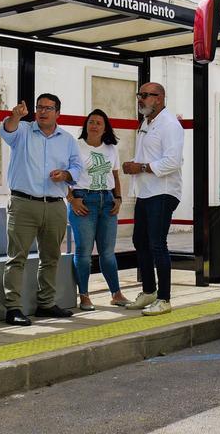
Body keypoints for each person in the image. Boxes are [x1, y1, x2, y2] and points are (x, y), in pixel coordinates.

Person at [0, 93, 84, 326]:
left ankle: (46, 303)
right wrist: (15, 116)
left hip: (55, 205)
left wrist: (66, 175)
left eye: (49, 108)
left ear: (58, 113)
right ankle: (13, 307)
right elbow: (7, 132)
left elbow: (77, 167)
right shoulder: (23, 131)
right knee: (17, 258)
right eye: (39, 107)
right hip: (23, 203)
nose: (43, 111)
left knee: (51, 258)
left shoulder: (67, 139)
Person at [122, 82, 185, 316]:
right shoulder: (147, 122)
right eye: (140, 95)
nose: (141, 99)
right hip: (146, 191)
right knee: (140, 240)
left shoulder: (169, 124)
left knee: (157, 244)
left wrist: (141, 167)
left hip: (164, 191)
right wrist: (138, 168)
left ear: (159, 98)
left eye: (146, 95)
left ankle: (164, 299)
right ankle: (148, 291)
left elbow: (173, 162)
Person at [69, 109, 130, 310]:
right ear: (86, 125)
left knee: (107, 252)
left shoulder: (111, 148)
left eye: (99, 123)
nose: (94, 125)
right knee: (84, 252)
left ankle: (116, 293)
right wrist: (72, 199)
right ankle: (84, 296)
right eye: (91, 122)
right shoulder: (75, 146)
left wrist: (119, 199)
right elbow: (65, 177)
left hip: (108, 202)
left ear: (105, 128)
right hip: (83, 200)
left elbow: (116, 176)